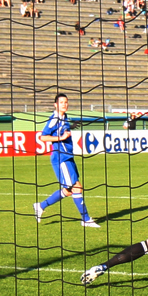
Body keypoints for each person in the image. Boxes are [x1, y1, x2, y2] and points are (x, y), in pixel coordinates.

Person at [34, 93, 99, 226]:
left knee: (68, 191)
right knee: (77, 187)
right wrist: (61, 138)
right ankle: (86, 219)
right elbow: (42, 137)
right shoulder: (54, 120)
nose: (64, 104)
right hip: (61, 157)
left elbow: (62, 130)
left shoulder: (64, 118)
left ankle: (40, 206)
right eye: (62, 102)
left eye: (66, 102)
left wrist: (71, 126)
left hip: (68, 156)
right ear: (55, 105)